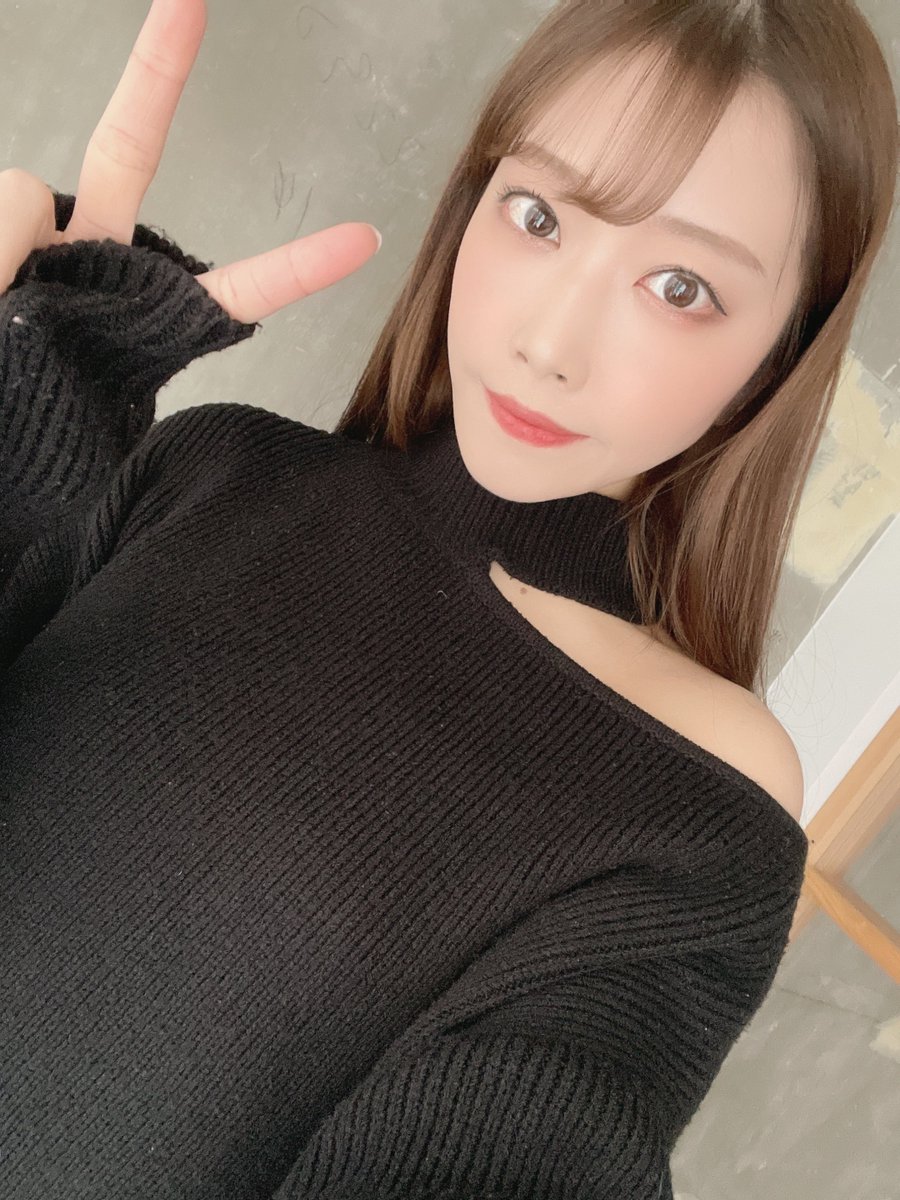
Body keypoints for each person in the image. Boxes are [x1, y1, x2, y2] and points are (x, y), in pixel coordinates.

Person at [0, 0, 895, 1197]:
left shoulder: (692, 802)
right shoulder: (218, 470)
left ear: (782, 352)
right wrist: (26, 430)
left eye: (680, 286)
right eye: (539, 217)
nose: (550, 343)